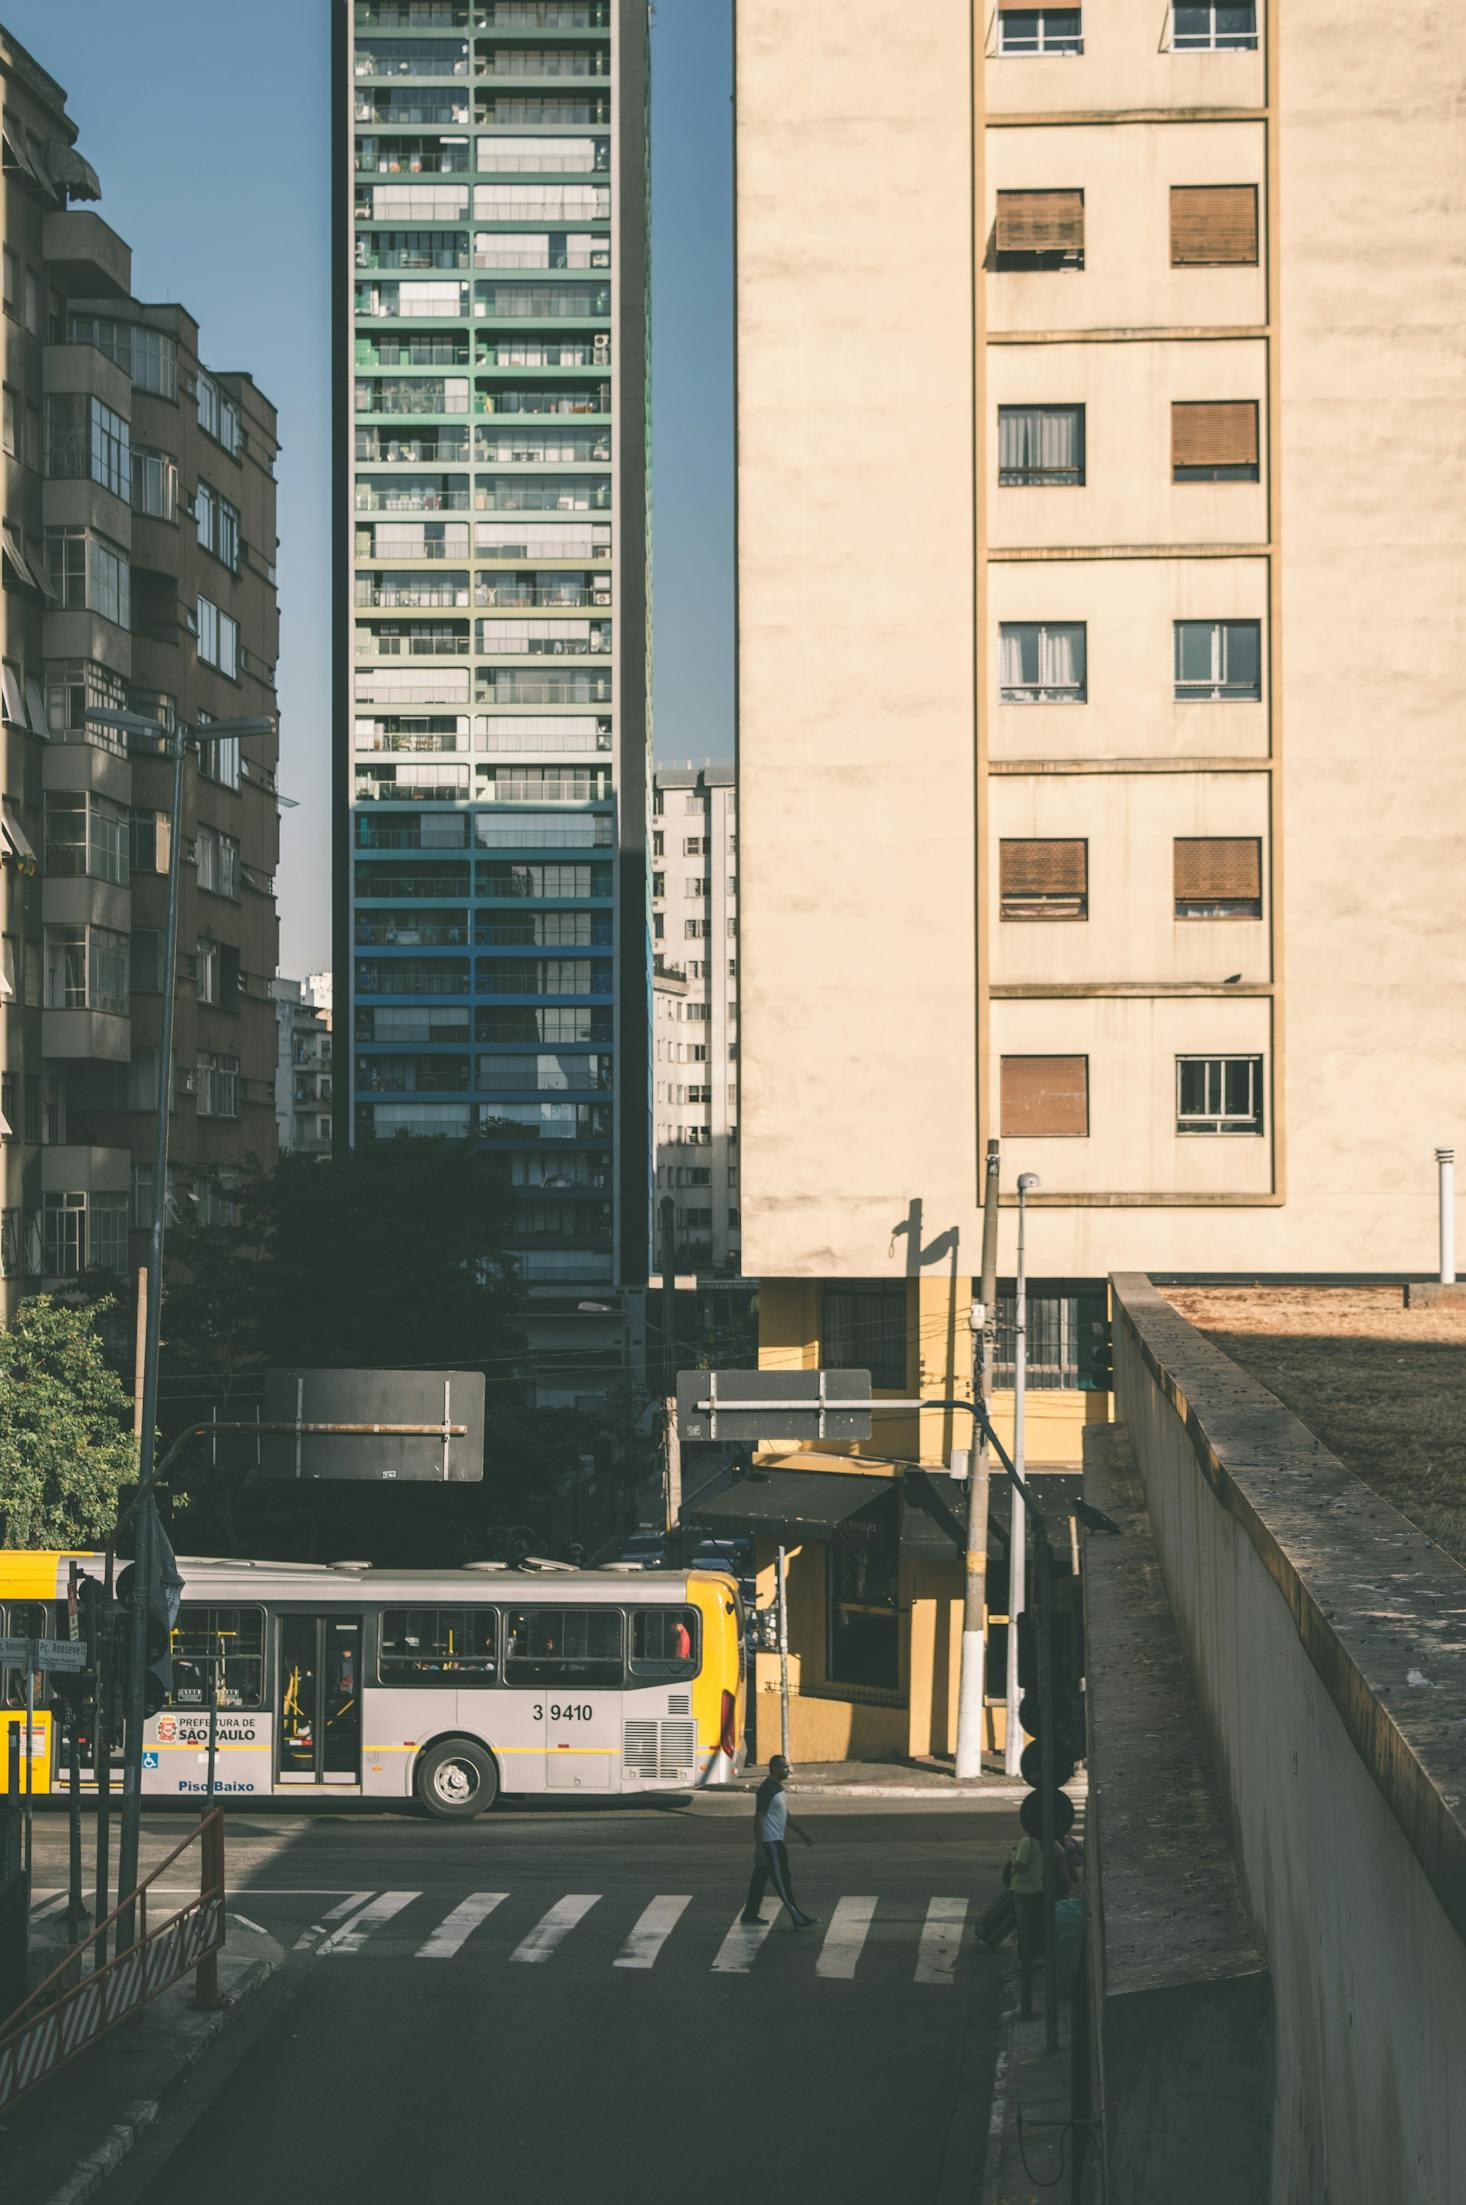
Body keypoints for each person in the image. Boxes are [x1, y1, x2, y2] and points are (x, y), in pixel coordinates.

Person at [741, 1755, 817, 1929]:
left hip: (776, 1841)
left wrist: (802, 1834)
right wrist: (759, 1847)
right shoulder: (766, 1790)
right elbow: (758, 1818)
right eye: (784, 1767)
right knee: (782, 1880)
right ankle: (797, 1917)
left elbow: (785, 1815)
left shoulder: (777, 1788)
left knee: (759, 1880)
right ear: (774, 1768)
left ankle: (750, 1914)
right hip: (770, 1843)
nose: (787, 1770)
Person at [1008, 1830, 1073, 2019]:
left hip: (1023, 1890)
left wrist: (1012, 1859)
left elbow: (1020, 1866)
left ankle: (1027, 1963)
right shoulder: (1049, 1844)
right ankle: (1031, 1960)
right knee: (1033, 1930)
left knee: (1025, 1930)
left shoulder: (1027, 1842)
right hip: (1037, 1889)